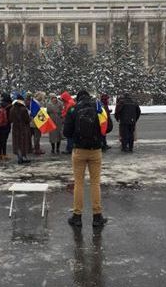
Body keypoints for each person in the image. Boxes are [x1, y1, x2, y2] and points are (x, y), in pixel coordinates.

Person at [64, 90, 107, 227]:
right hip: (95, 150)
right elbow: (108, 127)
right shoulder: (98, 107)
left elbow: (66, 132)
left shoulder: (73, 109)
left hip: (79, 150)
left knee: (79, 183)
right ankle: (97, 216)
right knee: (95, 183)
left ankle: (77, 216)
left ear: (78, 98)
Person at [9, 95, 32, 164]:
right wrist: (30, 118)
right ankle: (23, 157)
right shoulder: (23, 109)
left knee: (17, 143)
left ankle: (19, 157)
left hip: (15, 128)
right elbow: (27, 120)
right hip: (23, 128)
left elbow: (10, 119)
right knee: (23, 143)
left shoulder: (12, 109)